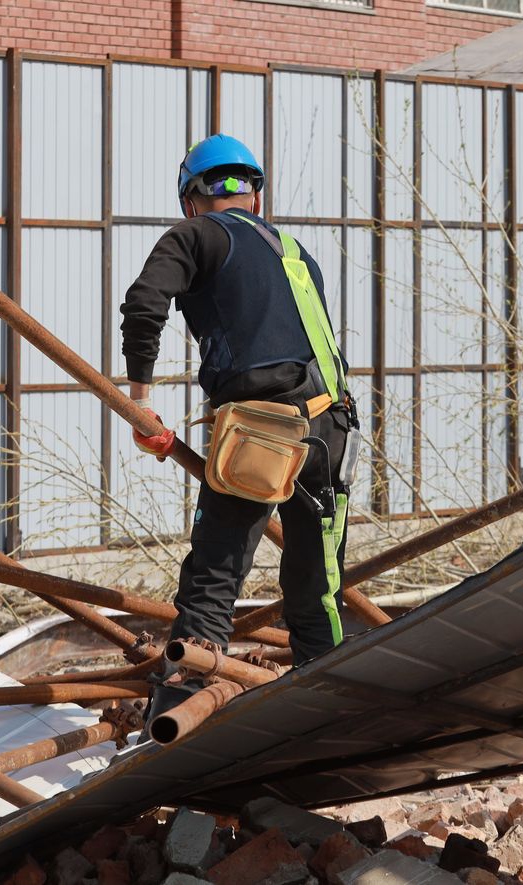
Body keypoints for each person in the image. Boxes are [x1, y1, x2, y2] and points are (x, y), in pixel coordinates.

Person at [120, 134, 356, 719]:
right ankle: (328, 710)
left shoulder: (194, 235)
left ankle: (179, 717)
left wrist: (140, 401)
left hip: (264, 432)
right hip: (335, 429)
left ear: (189, 199)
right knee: (317, 586)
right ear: (255, 196)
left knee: (214, 577)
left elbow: (144, 303)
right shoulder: (294, 251)